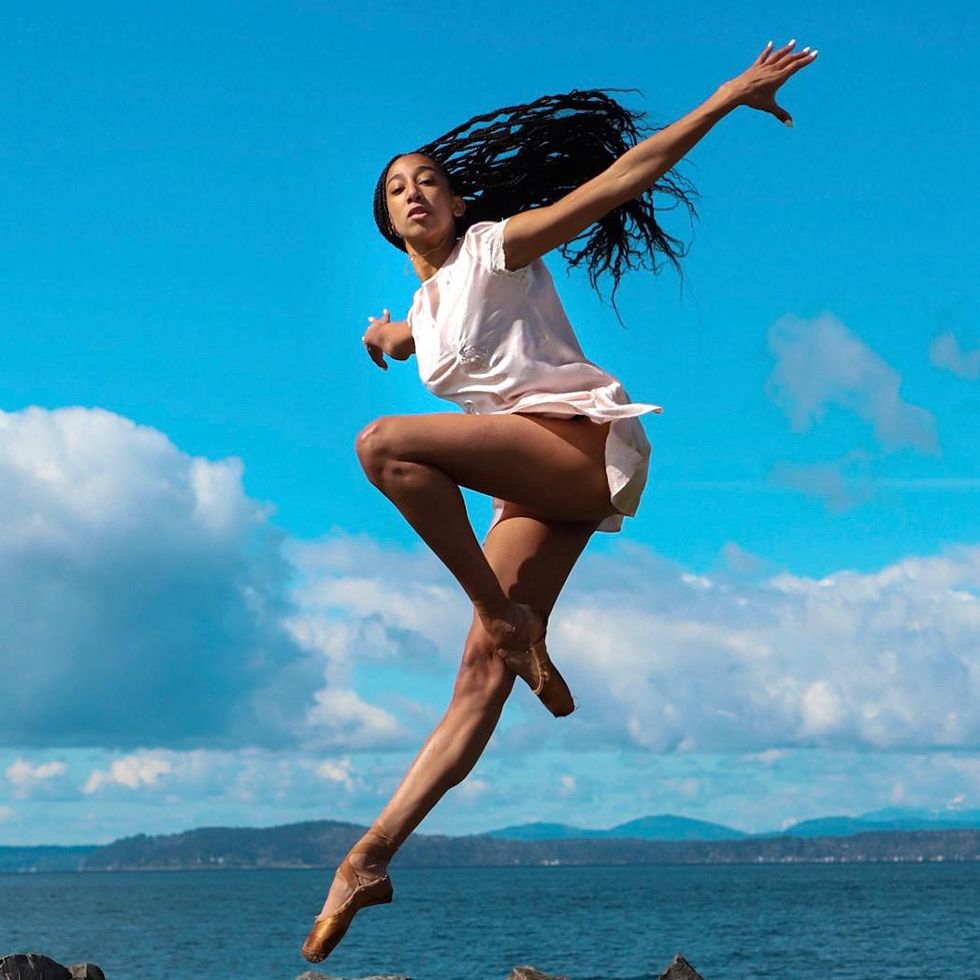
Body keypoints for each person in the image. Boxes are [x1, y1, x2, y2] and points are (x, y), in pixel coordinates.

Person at [302, 37, 817, 964]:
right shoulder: (424, 310)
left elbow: (620, 180)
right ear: (387, 222)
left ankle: (506, 618)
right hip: (528, 488)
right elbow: (414, 341)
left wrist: (730, 96)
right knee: (475, 685)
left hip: (579, 450)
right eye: (394, 190)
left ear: (459, 202)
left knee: (384, 444)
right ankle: (370, 857)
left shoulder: (497, 248)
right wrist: (384, 335)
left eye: (428, 180)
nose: (413, 192)